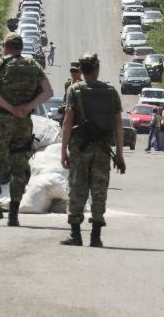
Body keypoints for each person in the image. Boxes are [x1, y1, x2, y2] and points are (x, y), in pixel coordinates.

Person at [0, 33, 53, 227]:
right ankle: (13, 214)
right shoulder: (34, 66)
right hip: (24, 123)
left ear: (6, 46)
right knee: (18, 167)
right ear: (20, 47)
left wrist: (10, 108)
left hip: (2, 120)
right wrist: (27, 107)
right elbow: (48, 92)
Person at [60, 52, 125, 248]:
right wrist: (120, 154)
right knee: (99, 191)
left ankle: (76, 235)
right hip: (103, 149)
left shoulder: (74, 90)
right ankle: (96, 236)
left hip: (79, 148)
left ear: (81, 70)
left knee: (77, 189)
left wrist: (63, 150)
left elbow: (67, 122)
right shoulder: (111, 92)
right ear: (97, 69)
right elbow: (118, 125)